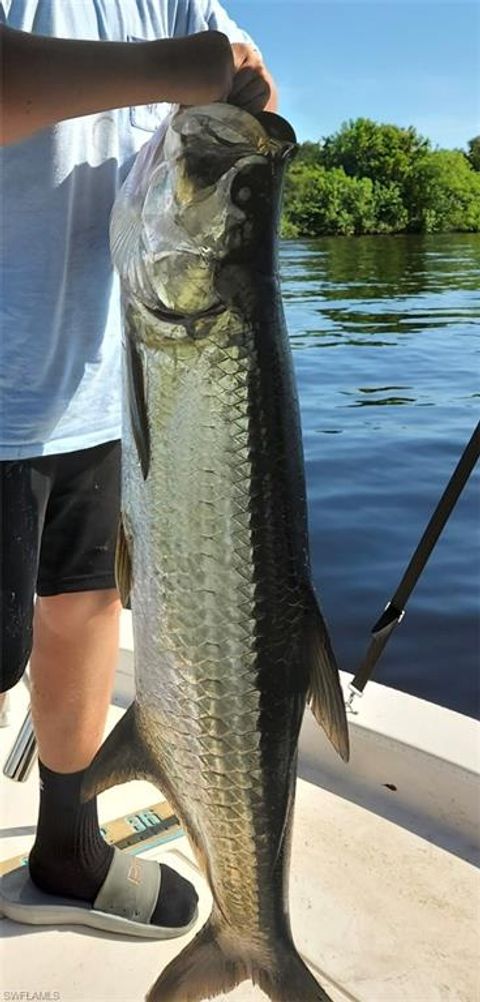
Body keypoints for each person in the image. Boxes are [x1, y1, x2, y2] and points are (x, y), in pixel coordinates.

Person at [0, 2, 276, 936]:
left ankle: (68, 847)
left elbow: (234, 89)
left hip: (106, 380)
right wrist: (177, 67)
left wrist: (240, 97)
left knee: (85, 605)